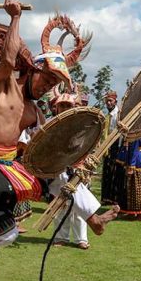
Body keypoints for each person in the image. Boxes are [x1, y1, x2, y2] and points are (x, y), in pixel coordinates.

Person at [0, 0, 118, 255]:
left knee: (58, 175)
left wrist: (79, 158)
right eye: (46, 79)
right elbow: (9, 59)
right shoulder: (4, 84)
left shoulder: (34, 111)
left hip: (9, 165)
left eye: (52, 83)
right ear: (33, 69)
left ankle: (92, 218)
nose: (47, 87)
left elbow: (53, 142)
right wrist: (15, 18)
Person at [48, 92, 90, 249]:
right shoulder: (51, 123)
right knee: (60, 204)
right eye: (62, 105)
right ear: (57, 108)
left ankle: (82, 238)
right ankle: (61, 237)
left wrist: (82, 165)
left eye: (68, 105)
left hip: (77, 167)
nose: (65, 108)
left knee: (79, 204)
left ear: (73, 107)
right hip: (58, 168)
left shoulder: (81, 123)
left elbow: (86, 145)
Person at [119, 136, 141, 220]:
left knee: (134, 187)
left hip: (136, 158)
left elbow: (134, 147)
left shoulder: (137, 132)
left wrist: (131, 164)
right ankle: (137, 213)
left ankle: (136, 213)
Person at [100, 90, 121, 205]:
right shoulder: (107, 115)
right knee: (107, 171)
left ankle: (114, 199)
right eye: (106, 101)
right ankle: (106, 198)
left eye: (110, 101)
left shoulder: (119, 115)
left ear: (115, 101)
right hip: (107, 146)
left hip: (116, 145)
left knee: (115, 171)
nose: (108, 103)